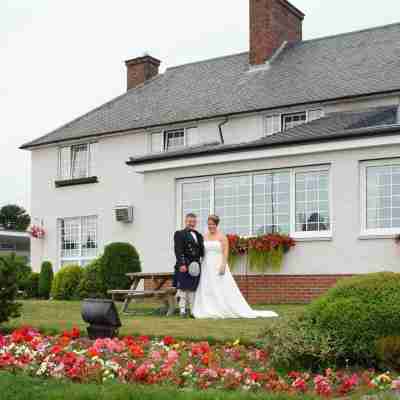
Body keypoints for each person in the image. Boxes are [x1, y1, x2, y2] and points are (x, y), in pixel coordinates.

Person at [192, 215, 278, 319]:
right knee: (207, 287)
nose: (211, 226)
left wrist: (223, 265)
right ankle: (208, 307)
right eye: (209, 224)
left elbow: (225, 252)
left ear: (216, 225)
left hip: (218, 264)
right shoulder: (204, 237)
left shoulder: (222, 237)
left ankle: (222, 307)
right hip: (206, 265)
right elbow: (201, 251)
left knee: (220, 286)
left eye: (213, 224)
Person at [173, 213, 205, 317]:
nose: (192, 224)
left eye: (194, 222)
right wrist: (182, 264)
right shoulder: (179, 233)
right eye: (190, 221)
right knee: (182, 288)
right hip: (185, 264)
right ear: (185, 222)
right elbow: (178, 250)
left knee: (192, 288)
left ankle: (191, 310)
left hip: (195, 265)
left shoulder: (199, 235)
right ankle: (182, 310)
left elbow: (201, 251)